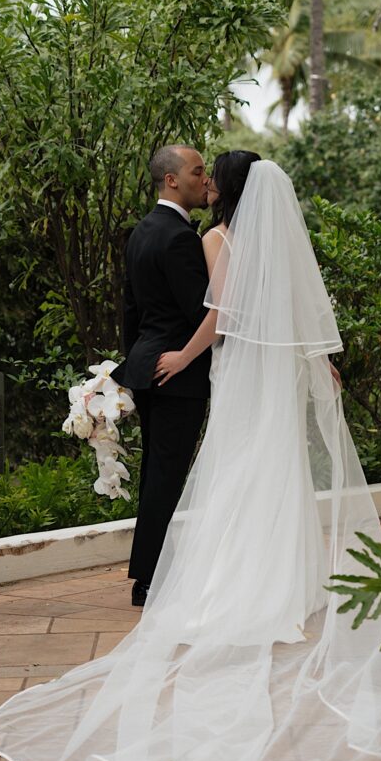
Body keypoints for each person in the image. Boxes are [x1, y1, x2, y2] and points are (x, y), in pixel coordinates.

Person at [0, 154, 381, 761]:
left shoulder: (201, 236)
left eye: (212, 174)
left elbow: (216, 312)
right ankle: (278, 582)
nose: (205, 180)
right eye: (197, 171)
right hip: (246, 373)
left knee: (232, 474)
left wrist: (147, 361)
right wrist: (316, 362)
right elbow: (274, 307)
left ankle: (210, 582)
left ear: (223, 189)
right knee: (267, 474)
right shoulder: (223, 237)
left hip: (220, 371)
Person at [110, 144, 212, 606]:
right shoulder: (180, 238)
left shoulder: (140, 232)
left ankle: (148, 574)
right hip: (177, 373)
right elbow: (200, 312)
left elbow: (130, 311)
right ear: (172, 180)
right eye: (197, 171)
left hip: (149, 368)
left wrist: (135, 365)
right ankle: (150, 581)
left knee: (157, 472)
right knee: (167, 476)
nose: (204, 178)